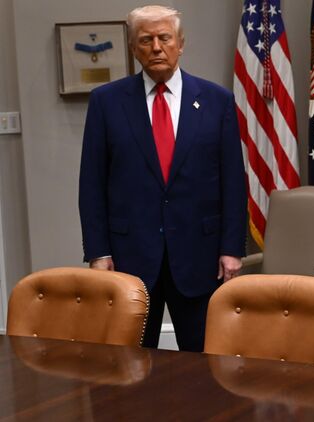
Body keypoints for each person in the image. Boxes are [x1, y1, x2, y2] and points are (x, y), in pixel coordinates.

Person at [78, 5, 247, 352]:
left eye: (164, 38)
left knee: (204, 365)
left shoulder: (217, 101)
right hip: (129, 258)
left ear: (180, 44)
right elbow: (92, 184)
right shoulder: (106, 102)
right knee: (130, 365)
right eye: (146, 40)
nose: (156, 47)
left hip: (200, 257)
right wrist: (98, 252)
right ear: (133, 47)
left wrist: (231, 248)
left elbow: (233, 182)